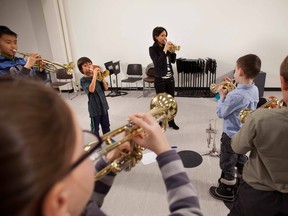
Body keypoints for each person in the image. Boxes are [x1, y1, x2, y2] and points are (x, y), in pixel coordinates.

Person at [0, 77, 203, 216]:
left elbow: (88, 203)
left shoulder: (68, 206)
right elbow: (189, 212)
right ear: (58, 202)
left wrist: (111, 161)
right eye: (82, 150)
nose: (93, 152)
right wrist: (165, 153)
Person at [228, 56, 288, 216]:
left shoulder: (261, 118)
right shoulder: (255, 91)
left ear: (282, 81)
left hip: (259, 195)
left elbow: (237, 146)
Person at [209, 54, 261, 202]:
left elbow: (221, 112)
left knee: (227, 162)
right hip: (244, 135)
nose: (234, 71)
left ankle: (226, 189)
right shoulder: (254, 89)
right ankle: (242, 183)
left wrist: (222, 96)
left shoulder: (235, 96)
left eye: (235, 68)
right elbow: (241, 103)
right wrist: (232, 89)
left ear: (241, 72)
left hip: (230, 135)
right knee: (240, 158)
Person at [149, 26, 179, 130]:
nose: (164, 37)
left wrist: (173, 51)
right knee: (161, 103)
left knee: (171, 101)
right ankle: (161, 122)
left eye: (165, 35)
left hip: (170, 79)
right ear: (156, 37)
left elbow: (173, 61)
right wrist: (165, 50)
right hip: (160, 79)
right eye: (162, 35)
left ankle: (171, 121)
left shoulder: (165, 47)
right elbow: (158, 63)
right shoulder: (152, 49)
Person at [77, 57, 111, 137]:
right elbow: (91, 90)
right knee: (95, 128)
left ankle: (108, 139)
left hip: (103, 106)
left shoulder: (98, 77)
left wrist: (102, 78)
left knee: (106, 125)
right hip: (94, 108)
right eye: (85, 65)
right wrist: (95, 76)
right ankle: (97, 143)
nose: (89, 66)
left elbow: (106, 88)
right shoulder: (83, 80)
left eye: (90, 64)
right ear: (81, 70)